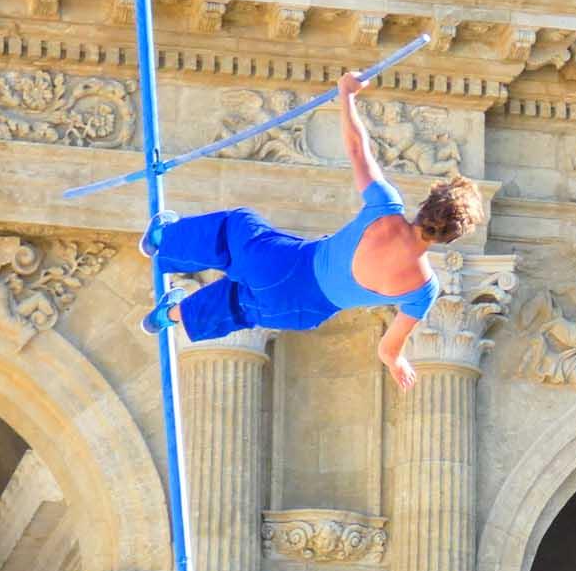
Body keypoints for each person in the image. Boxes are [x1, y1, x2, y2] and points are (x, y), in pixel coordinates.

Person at [140, 73, 484, 391]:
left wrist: (346, 95)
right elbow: (388, 349)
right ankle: (168, 315)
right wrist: (397, 362)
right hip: (302, 312)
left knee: (236, 228)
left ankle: (162, 241)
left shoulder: (385, 209)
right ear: (448, 238)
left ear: (428, 202)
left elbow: (357, 149)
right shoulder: (424, 290)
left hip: (290, 265)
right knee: (238, 305)